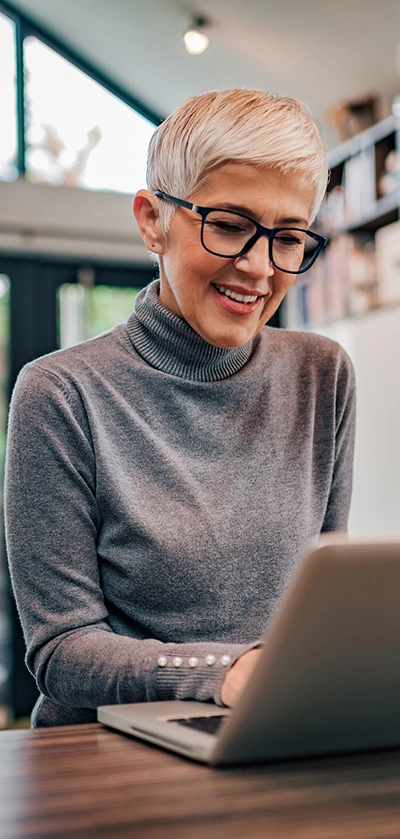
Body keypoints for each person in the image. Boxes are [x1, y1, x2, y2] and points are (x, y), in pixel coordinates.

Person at [4, 89, 356, 727]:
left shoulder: (320, 374)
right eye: (228, 226)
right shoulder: (60, 394)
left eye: (289, 237)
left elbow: (324, 604)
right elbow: (61, 653)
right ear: (151, 220)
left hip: (265, 736)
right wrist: (225, 673)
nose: (257, 268)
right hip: (104, 759)